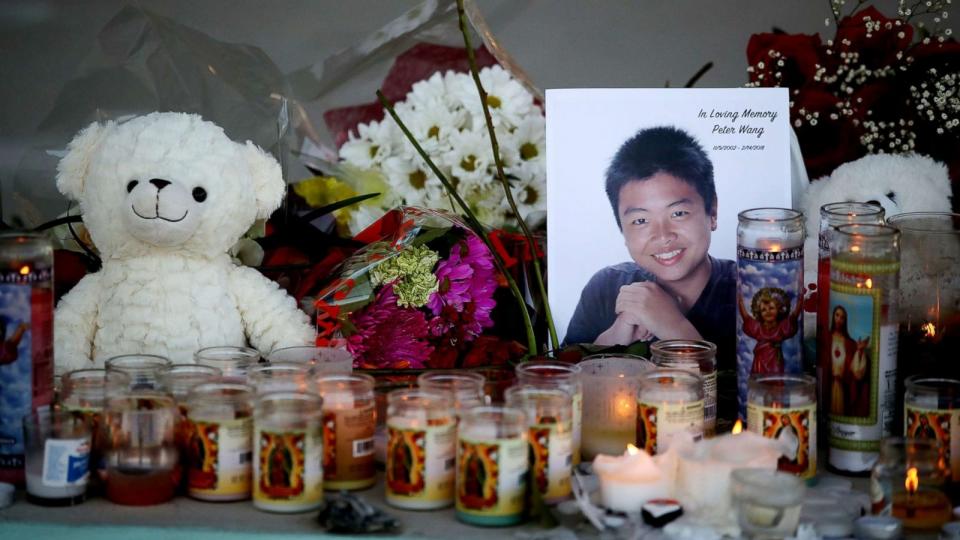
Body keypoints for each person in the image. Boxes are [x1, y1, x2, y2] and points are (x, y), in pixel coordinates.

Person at [565, 126, 736, 372]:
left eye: (678, 213)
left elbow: (754, 402)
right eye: (641, 221)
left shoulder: (750, 294)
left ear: (713, 212)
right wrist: (617, 334)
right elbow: (564, 385)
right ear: (622, 230)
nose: (663, 235)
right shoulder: (605, 288)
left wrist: (673, 327)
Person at [738, 286, 802, 374]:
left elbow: (793, 318)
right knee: (759, 380)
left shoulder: (781, 327)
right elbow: (746, 319)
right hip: (760, 360)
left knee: (776, 378)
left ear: (778, 310)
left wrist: (800, 301)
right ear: (759, 313)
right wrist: (741, 302)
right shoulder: (758, 327)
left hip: (775, 360)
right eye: (763, 310)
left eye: (771, 308)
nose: (768, 311)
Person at [828, 305, 870, 417]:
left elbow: (855, 370)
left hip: (842, 386)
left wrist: (860, 352)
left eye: (842, 317)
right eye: (837, 315)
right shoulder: (827, 338)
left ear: (845, 321)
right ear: (833, 316)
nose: (839, 319)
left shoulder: (849, 343)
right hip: (829, 385)